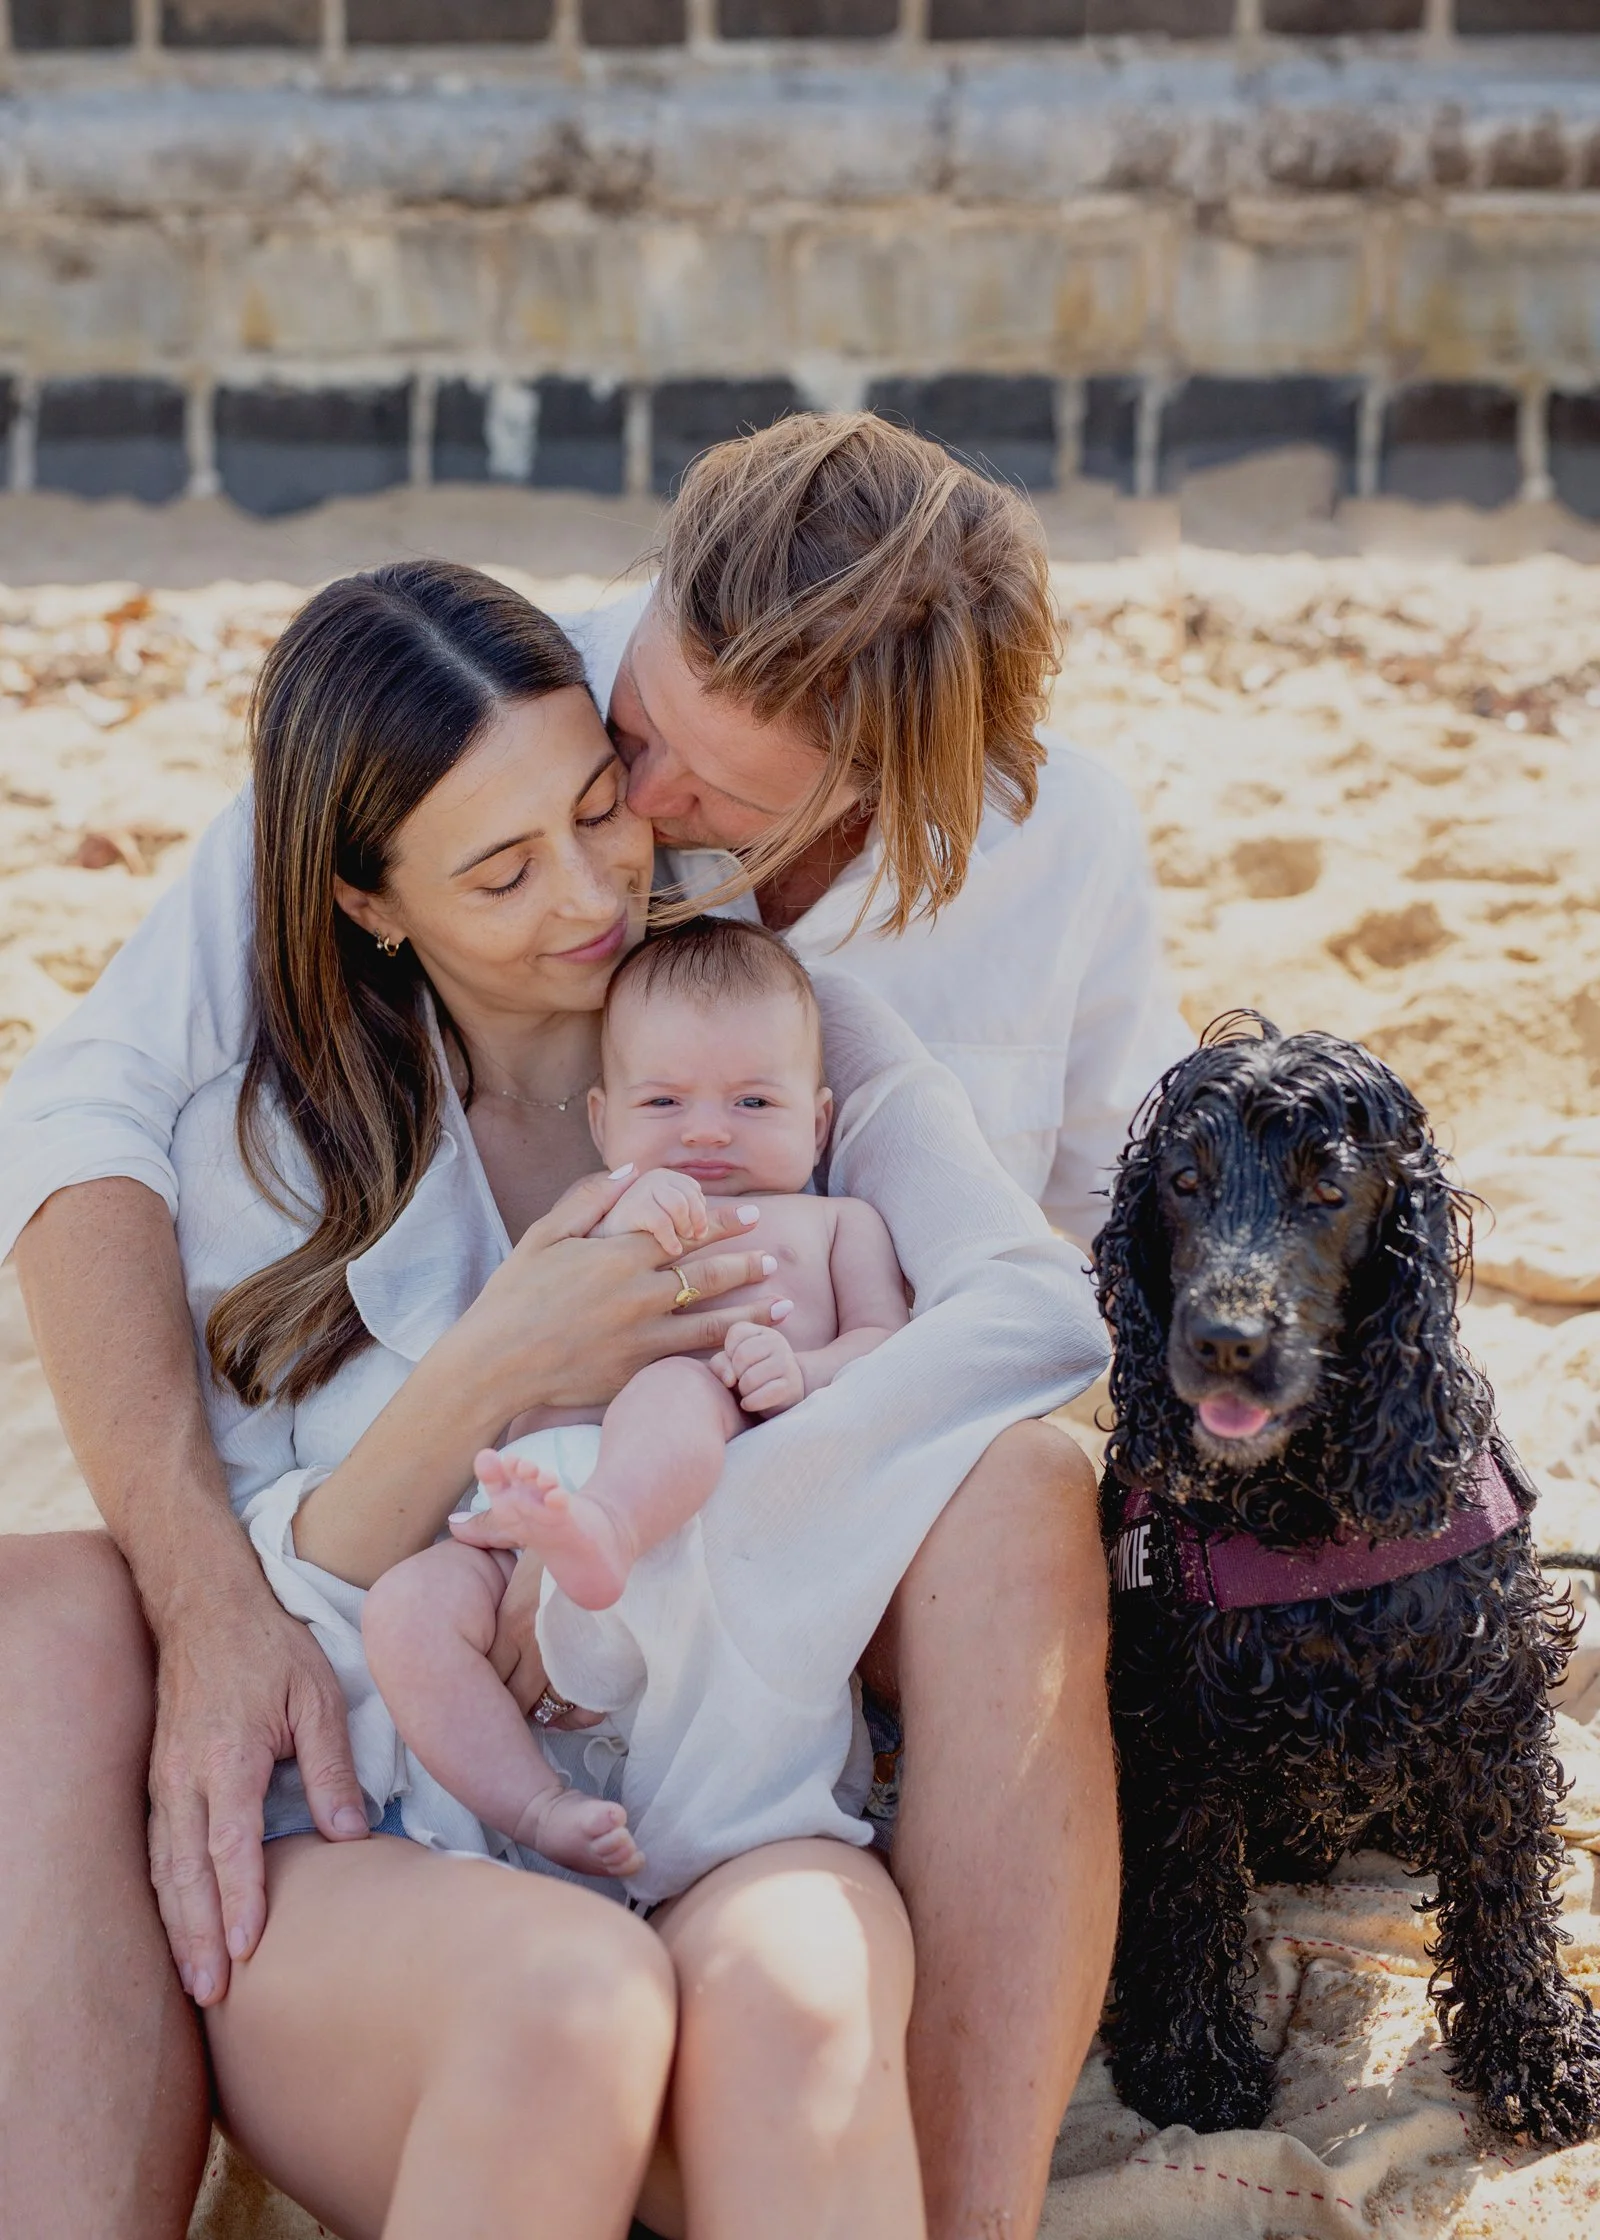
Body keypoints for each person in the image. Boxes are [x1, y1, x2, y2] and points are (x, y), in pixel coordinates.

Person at [0, 413, 1187, 2239]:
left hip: (775, 1660)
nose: (620, 862)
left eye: (657, 804)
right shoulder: (461, 754)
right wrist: (488, 1418)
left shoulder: (838, 1010)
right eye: (642, 738)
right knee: (62, 1617)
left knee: (1020, 1505)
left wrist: (738, 1451)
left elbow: (1096, 1265)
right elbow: (74, 1128)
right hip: (431, 1740)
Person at [365, 916, 908, 1881]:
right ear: (604, 1121)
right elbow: (511, 1342)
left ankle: (607, 1528)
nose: (706, 1130)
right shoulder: (588, 1217)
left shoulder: (837, 1225)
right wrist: (622, 1220)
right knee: (405, 1609)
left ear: (817, 1122)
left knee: (674, 1383)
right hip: (532, 1519)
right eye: (664, 1101)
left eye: (752, 1099)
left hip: (685, 1514)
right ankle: (535, 1803)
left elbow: (887, 1345)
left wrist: (806, 1373)